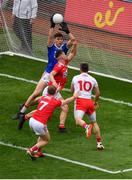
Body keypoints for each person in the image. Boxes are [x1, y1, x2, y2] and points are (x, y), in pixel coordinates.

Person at [13, 15, 76, 132]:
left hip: (56, 78)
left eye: (61, 39)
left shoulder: (64, 48)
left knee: (44, 97)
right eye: (58, 39)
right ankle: (21, 112)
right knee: (36, 93)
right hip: (48, 74)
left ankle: (28, 110)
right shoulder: (51, 47)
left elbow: (73, 41)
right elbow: (49, 36)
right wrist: (52, 26)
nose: (59, 40)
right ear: (55, 40)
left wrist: (68, 31)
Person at [26, 85, 79, 160]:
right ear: (55, 93)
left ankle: (37, 151)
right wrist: (74, 97)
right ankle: (31, 150)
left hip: (32, 120)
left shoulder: (42, 97)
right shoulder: (54, 101)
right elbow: (66, 101)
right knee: (46, 140)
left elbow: (43, 98)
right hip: (40, 123)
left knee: (42, 136)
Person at [71, 63, 104, 150]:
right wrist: (95, 102)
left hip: (80, 101)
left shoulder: (75, 78)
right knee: (94, 122)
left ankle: (86, 126)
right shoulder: (93, 79)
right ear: (88, 70)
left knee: (78, 121)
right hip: (89, 102)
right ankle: (99, 143)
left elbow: (72, 90)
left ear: (80, 69)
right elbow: (98, 93)